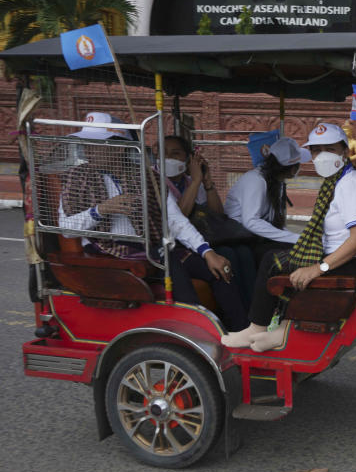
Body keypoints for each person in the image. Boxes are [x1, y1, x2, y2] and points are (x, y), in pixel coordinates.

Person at [58, 112, 248, 331]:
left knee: (220, 269)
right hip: (109, 251)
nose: (88, 150)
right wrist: (100, 210)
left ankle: (238, 332)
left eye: (95, 144)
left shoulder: (149, 178)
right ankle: (194, 333)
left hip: (153, 247)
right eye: (86, 144)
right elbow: (67, 230)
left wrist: (207, 251)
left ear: (119, 147)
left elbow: (175, 221)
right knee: (170, 264)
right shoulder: (77, 178)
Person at [221, 123, 356, 352]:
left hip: (350, 262)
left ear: (344, 151)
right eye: (316, 150)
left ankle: (256, 328)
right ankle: (283, 329)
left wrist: (318, 268)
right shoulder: (337, 180)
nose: (322, 156)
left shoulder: (350, 183)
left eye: (330, 149)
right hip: (337, 253)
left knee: (270, 260)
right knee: (283, 256)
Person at [163, 134, 256, 309]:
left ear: (189, 159)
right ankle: (236, 314)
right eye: (164, 153)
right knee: (227, 254)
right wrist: (196, 181)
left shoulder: (189, 181)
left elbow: (217, 215)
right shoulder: (158, 181)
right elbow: (178, 217)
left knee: (243, 252)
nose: (169, 158)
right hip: (178, 242)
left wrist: (207, 182)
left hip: (203, 235)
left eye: (175, 154)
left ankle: (253, 307)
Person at [223, 134, 309, 261]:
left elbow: (273, 223)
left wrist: (295, 237)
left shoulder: (276, 182)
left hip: (253, 237)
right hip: (237, 238)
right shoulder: (256, 180)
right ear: (292, 169)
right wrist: (295, 238)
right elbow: (251, 221)